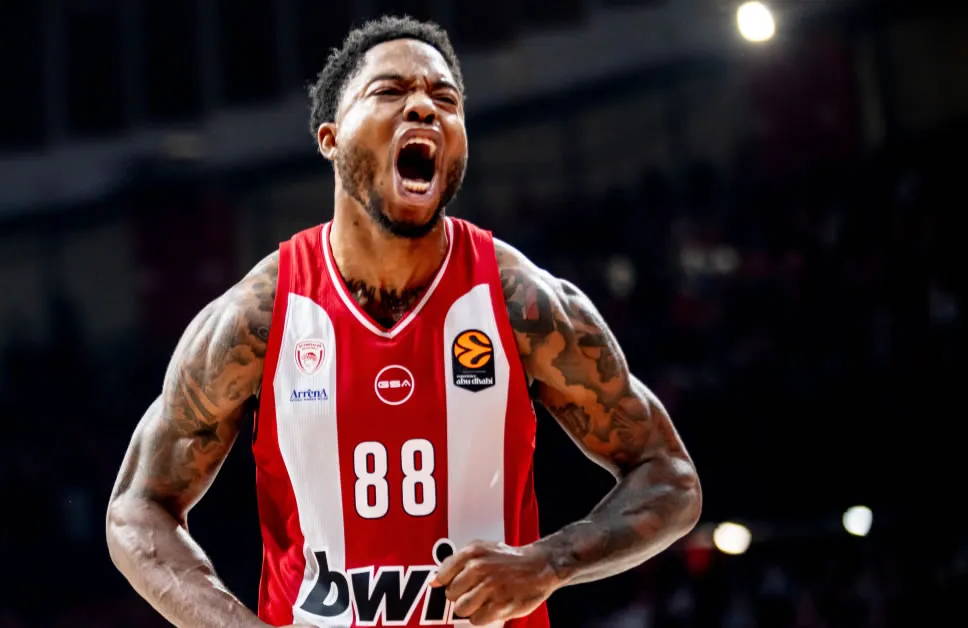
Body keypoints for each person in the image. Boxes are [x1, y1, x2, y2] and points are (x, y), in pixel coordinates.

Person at [106, 15, 702, 628]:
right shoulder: (258, 318)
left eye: (445, 99)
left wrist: (549, 562)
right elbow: (136, 509)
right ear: (330, 138)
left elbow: (670, 477)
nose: (423, 107)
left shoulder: (524, 304)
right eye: (390, 91)